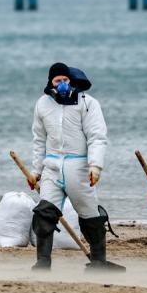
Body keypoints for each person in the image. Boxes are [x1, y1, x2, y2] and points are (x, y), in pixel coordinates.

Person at [29, 62, 114, 270]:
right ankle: (43, 262)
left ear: (71, 81)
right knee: (44, 213)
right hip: (52, 165)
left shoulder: (87, 103)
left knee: (90, 216)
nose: (62, 84)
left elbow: (97, 137)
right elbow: (39, 139)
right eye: (58, 81)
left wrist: (96, 166)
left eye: (65, 80)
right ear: (51, 83)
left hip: (79, 167)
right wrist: (35, 171)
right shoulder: (43, 104)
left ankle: (98, 262)